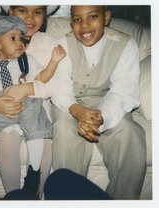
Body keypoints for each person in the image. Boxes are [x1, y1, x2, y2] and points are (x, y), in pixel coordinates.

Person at [0, 15, 66, 195]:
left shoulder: (29, 60)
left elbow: (42, 78)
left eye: (21, 39)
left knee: (36, 128)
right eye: (13, 38)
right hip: (0, 103)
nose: (20, 43)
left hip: (27, 100)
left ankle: (34, 171)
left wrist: (53, 62)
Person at [51, 5, 146, 199]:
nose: (85, 25)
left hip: (108, 100)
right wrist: (78, 111)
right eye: (77, 19)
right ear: (71, 22)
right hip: (71, 101)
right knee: (62, 127)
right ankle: (70, 197)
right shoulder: (64, 44)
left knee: (129, 132)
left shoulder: (125, 44)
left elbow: (123, 90)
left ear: (106, 17)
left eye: (93, 16)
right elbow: (60, 88)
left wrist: (102, 117)